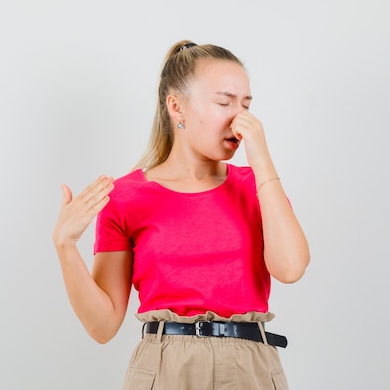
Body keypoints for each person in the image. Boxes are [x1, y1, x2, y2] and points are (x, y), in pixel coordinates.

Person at [52, 40, 310, 390]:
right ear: (177, 107)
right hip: (164, 367)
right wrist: (65, 246)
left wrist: (261, 158)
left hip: (250, 367)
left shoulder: (257, 186)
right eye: (224, 102)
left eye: (246, 105)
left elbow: (290, 268)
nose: (241, 118)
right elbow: (103, 326)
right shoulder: (126, 196)